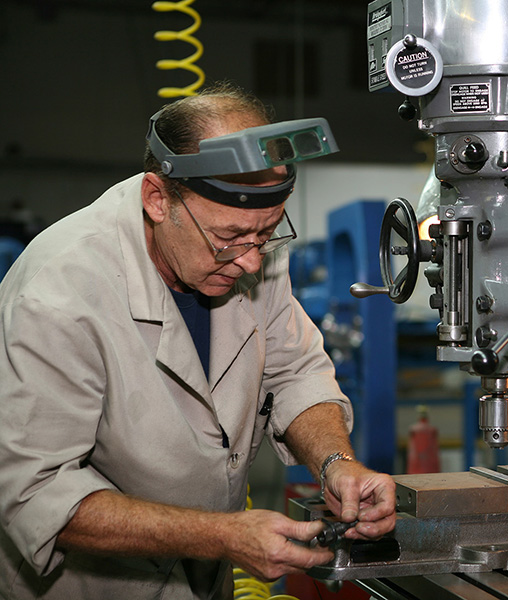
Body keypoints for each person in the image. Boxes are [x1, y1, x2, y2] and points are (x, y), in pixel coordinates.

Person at [0, 83, 396, 599]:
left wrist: (336, 464)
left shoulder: (251, 248)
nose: (252, 261)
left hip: (205, 575)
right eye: (228, 238)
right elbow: (36, 493)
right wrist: (221, 535)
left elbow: (293, 372)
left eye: (267, 233)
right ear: (157, 198)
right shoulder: (59, 292)